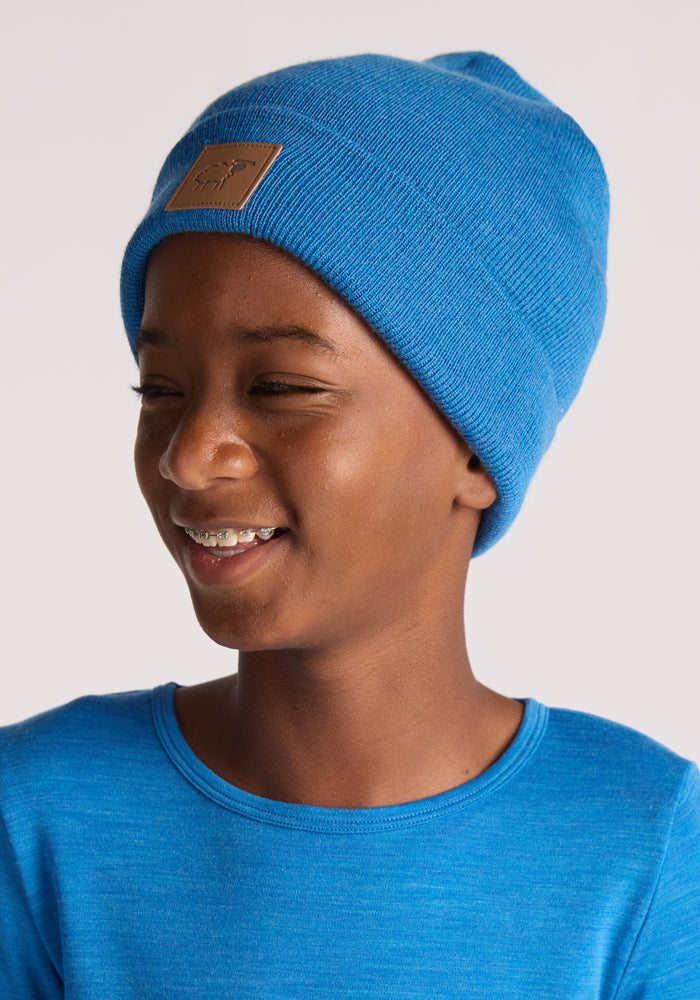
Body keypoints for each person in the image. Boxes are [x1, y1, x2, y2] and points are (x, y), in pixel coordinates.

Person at [1, 52, 698, 999]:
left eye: (282, 388)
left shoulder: (649, 860)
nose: (190, 455)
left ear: (476, 448)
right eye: (160, 390)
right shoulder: (34, 826)